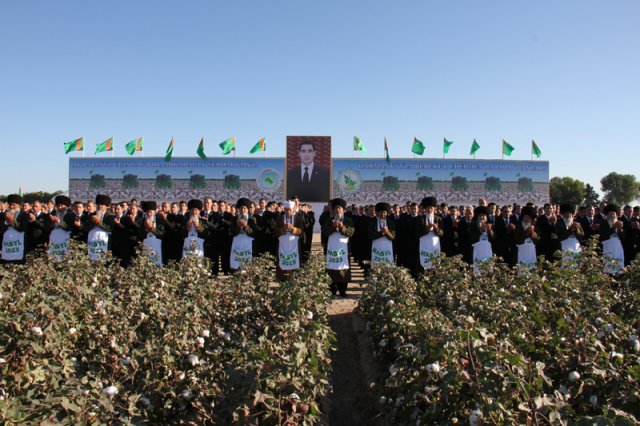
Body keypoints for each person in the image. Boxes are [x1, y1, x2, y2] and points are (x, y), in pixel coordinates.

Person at [322, 198, 354, 297]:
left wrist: (341, 228)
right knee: (331, 269)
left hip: (343, 249)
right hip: (332, 249)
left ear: (343, 209)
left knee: (343, 270)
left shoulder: (348, 220)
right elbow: (325, 232)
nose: (337, 210)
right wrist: (332, 226)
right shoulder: (328, 220)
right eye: (335, 208)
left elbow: (351, 233)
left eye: (339, 208)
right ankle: (332, 289)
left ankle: (343, 290)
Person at [275, 200, 305, 281]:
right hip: (283, 245)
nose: (288, 212)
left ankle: (294, 279)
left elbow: (302, 232)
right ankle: (283, 279)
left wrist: (293, 229)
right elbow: (275, 232)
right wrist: (282, 229)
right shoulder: (280, 219)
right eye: (286, 209)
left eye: (290, 210)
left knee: (294, 262)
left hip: (294, 244)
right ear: (284, 209)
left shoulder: (298, 219)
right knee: (282, 262)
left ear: (293, 209)